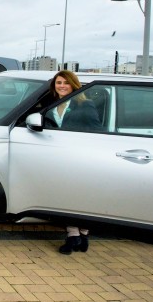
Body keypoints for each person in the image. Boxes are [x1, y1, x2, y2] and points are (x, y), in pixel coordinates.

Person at [45, 70, 102, 255]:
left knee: (80, 197)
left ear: (74, 85)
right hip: (59, 158)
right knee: (65, 196)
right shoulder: (53, 105)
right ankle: (80, 236)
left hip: (80, 158)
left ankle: (76, 235)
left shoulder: (85, 105)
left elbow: (96, 132)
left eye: (65, 83)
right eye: (58, 82)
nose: (61, 86)